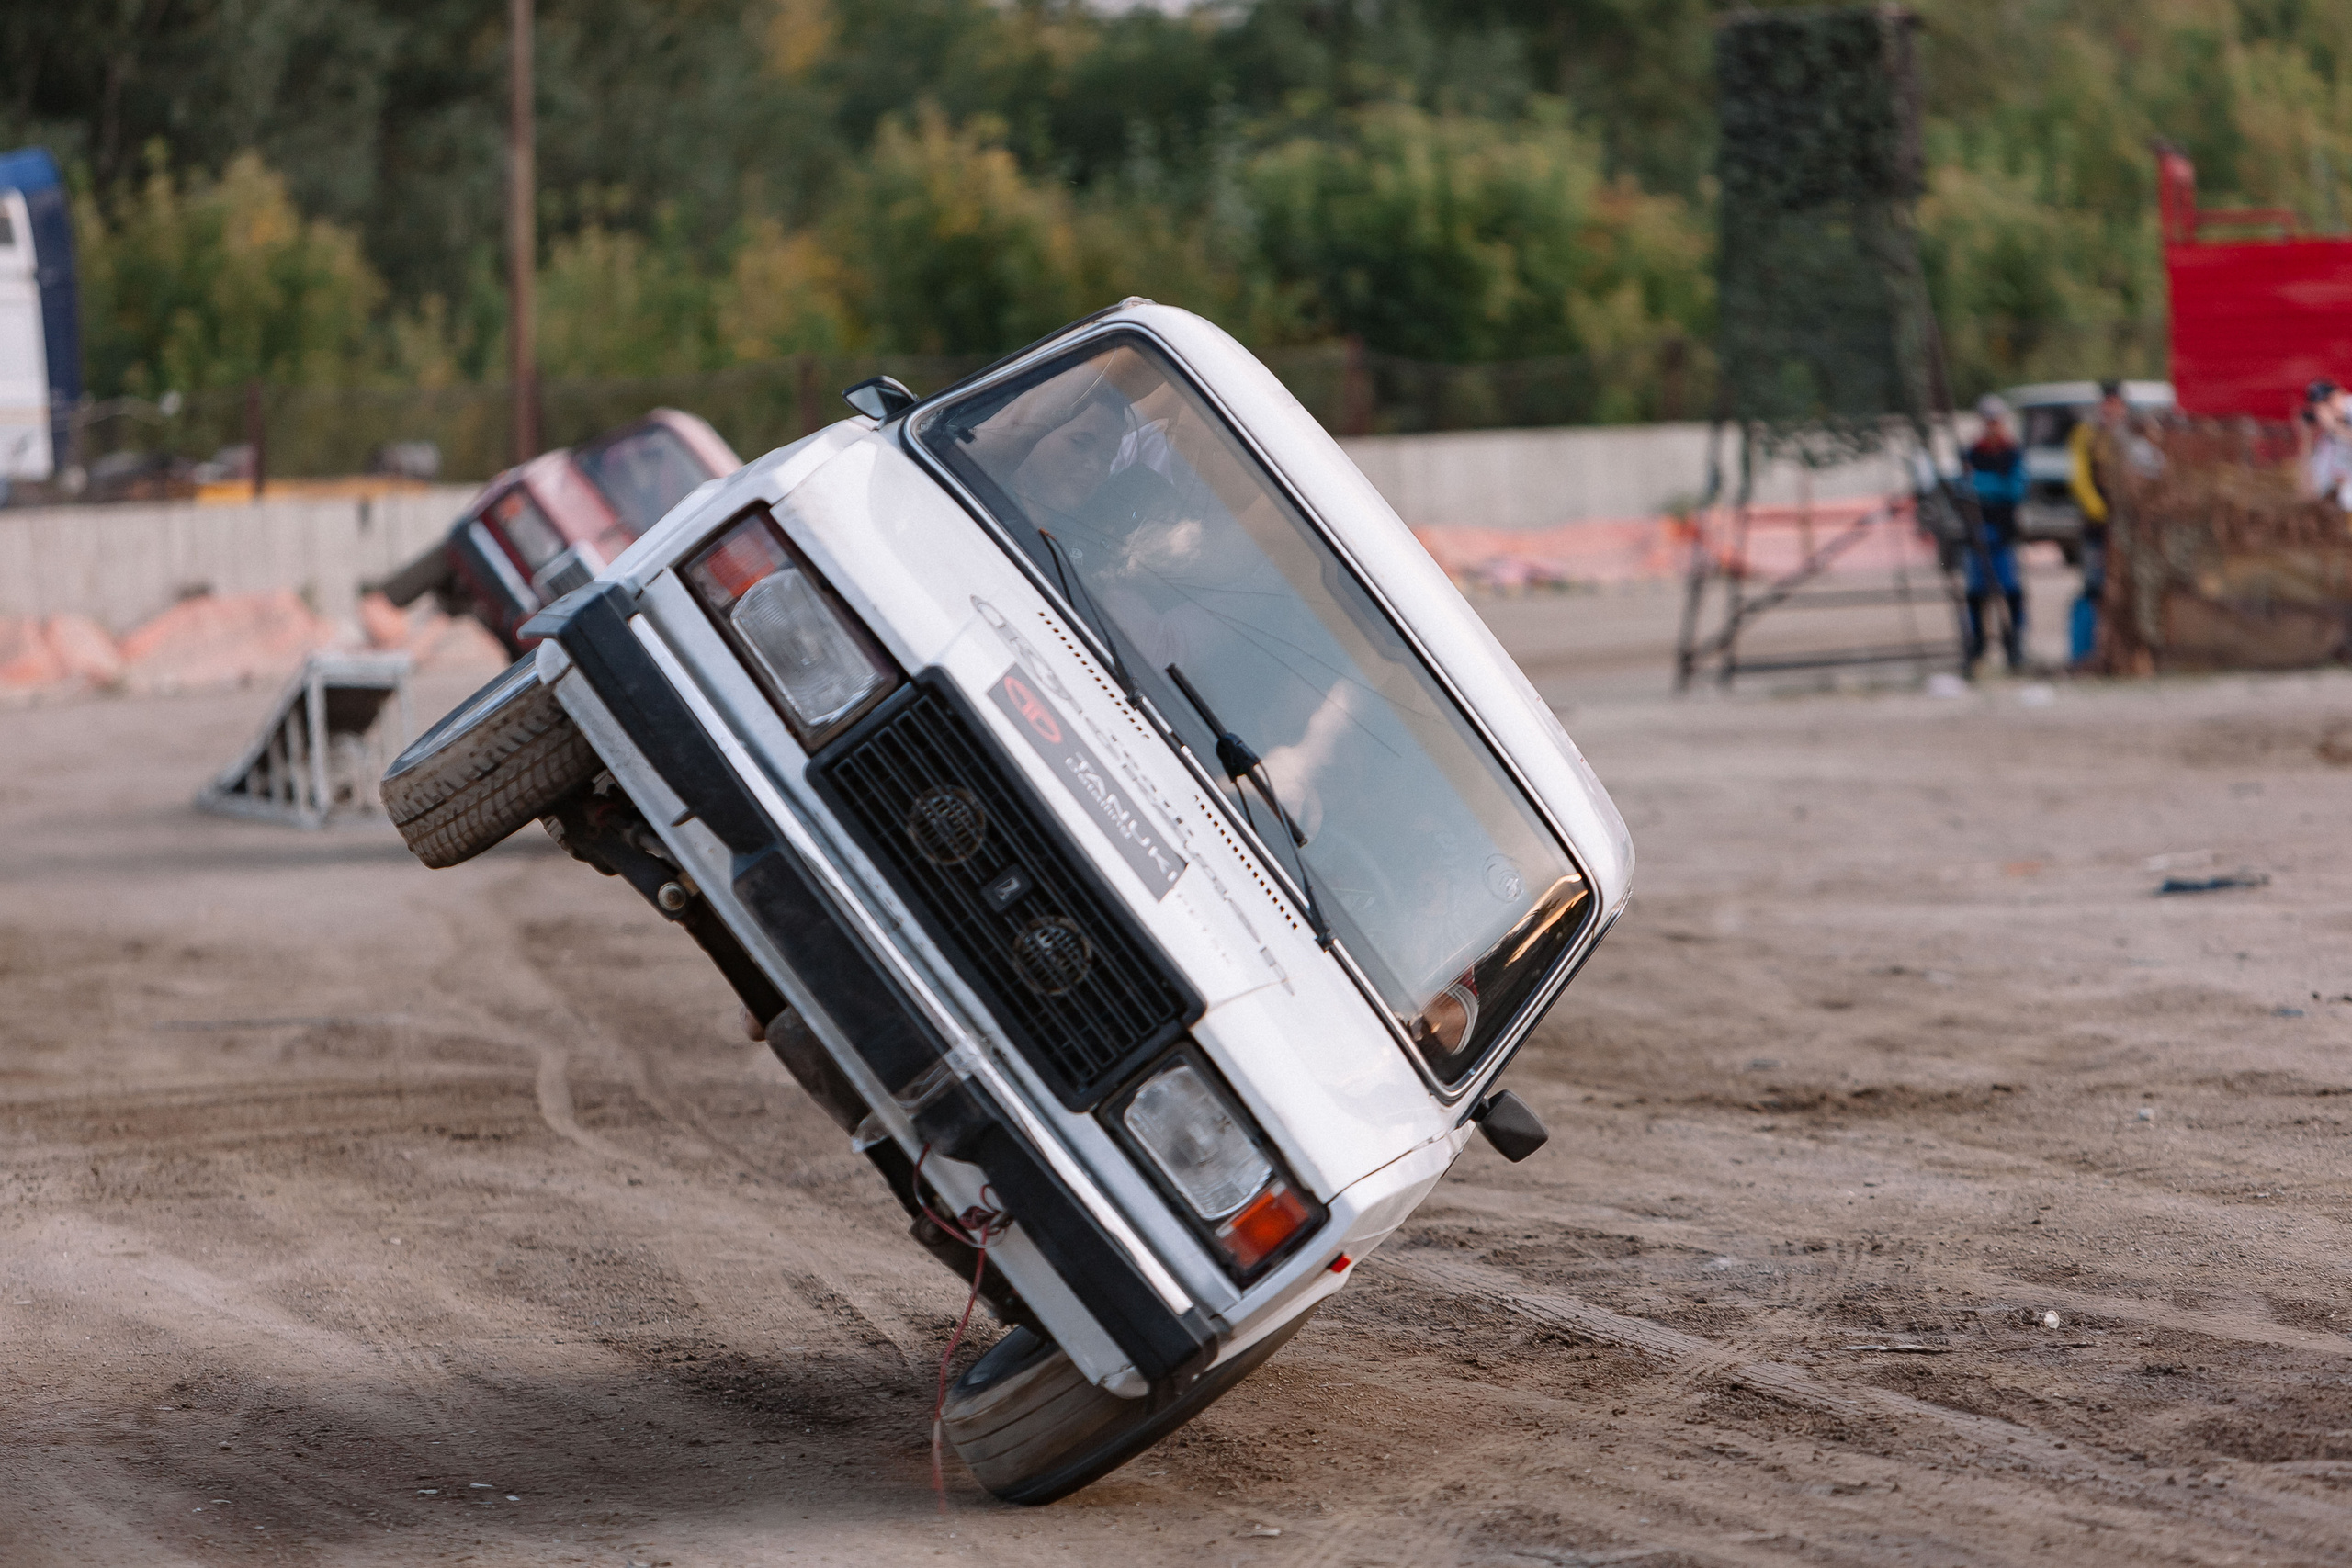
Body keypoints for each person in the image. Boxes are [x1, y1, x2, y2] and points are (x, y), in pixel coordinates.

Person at [1962, 394, 2028, 671]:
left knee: (2011, 591)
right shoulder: (1971, 453)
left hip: (2003, 532)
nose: (1992, 425)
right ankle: (1978, 646)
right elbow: (1963, 487)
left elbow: (2015, 489)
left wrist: (1980, 485)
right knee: (1976, 593)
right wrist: (1987, 485)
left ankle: (2014, 646)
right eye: (1988, 420)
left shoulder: (2012, 453)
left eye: (1996, 420)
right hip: (1977, 532)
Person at [2065, 380, 2128, 664]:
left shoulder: (2129, 438)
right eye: (2107, 403)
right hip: (2097, 527)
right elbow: (2079, 479)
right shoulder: (2086, 435)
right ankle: (2085, 653)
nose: (2110, 409)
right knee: (2094, 587)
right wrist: (2101, 512)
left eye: (2115, 404)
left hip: (2127, 530)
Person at [2300, 378, 2352, 509]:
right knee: (2346, 497)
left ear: (2340, 394)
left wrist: (2335, 427)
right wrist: (2306, 438)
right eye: (2319, 407)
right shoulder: (2327, 445)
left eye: (2328, 401)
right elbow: (2308, 494)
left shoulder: (2349, 405)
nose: (2327, 409)